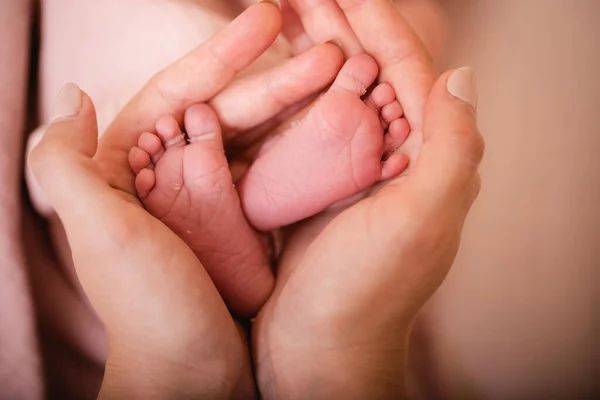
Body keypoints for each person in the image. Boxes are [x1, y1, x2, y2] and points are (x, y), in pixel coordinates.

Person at [29, 1, 483, 398]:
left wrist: (169, 370)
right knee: (394, 40)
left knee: (133, 99)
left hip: (155, 123)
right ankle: (278, 174)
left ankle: (239, 192)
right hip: (279, 83)